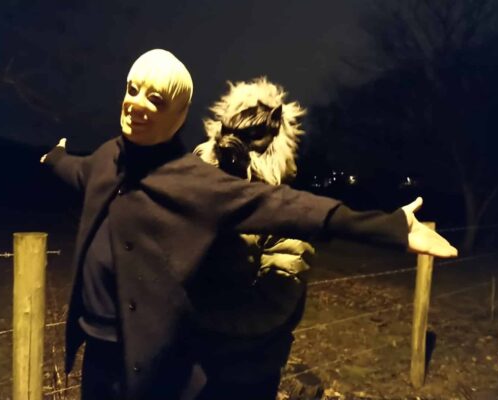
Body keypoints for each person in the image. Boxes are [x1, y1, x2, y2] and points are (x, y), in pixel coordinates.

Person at [41, 49, 457, 400]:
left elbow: (293, 212)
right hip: (115, 358)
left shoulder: (201, 187)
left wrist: (391, 228)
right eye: (132, 89)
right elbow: (81, 171)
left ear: (180, 116)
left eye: (157, 99)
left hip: (231, 370)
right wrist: (55, 157)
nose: (137, 104)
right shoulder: (111, 161)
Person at [192, 77, 314, 399]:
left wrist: (191, 316)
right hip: (190, 368)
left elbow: (269, 307)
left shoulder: (284, 214)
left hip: (246, 372)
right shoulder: (200, 194)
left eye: (252, 134)